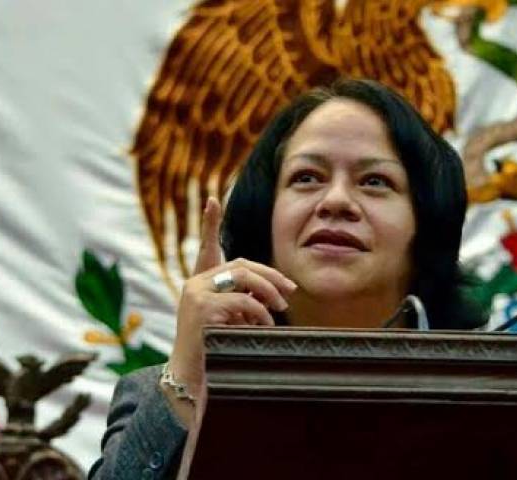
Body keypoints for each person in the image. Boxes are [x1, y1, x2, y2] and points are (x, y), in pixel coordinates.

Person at [89, 78, 486, 479]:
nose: (336, 201)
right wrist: (188, 378)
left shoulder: (493, 395)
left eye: (374, 182)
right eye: (307, 177)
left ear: (427, 224)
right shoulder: (156, 394)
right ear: (265, 219)